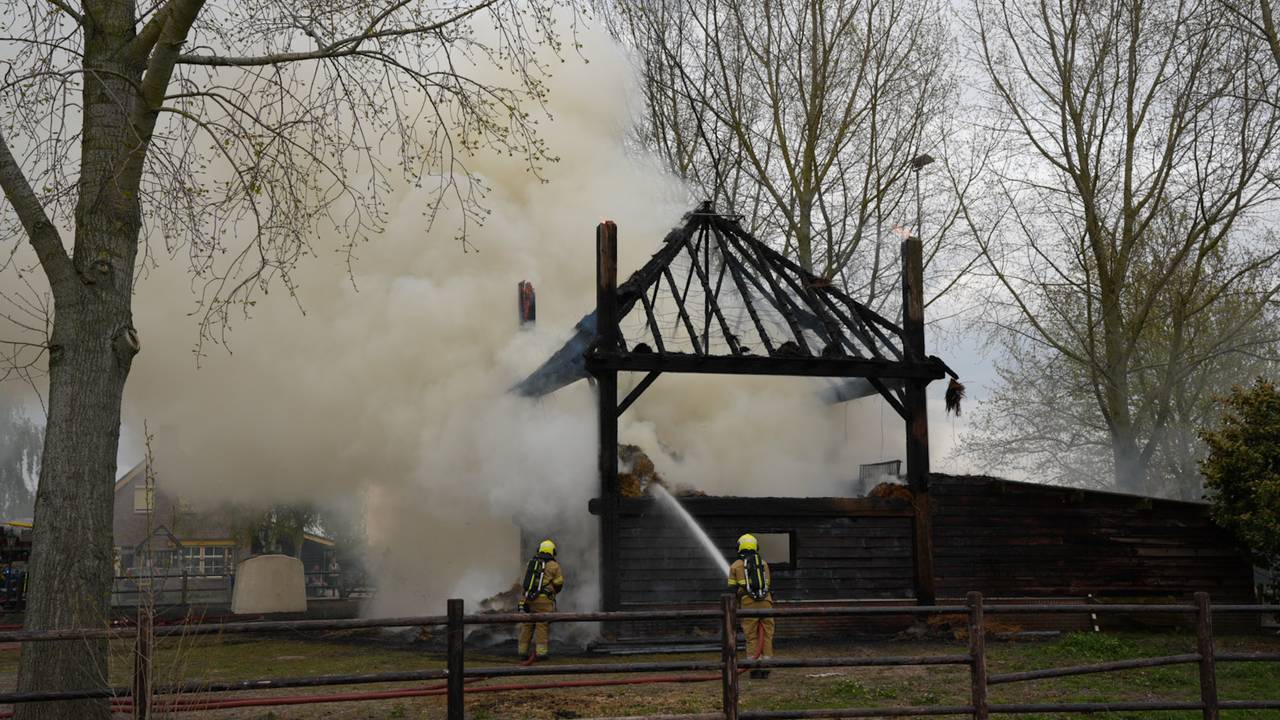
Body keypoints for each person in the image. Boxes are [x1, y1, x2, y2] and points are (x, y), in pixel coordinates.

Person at [728, 533, 774, 678]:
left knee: (751, 635)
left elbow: (731, 589)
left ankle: (754, 667)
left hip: (748, 603)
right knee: (767, 634)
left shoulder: (736, 566)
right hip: (766, 601)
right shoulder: (763, 563)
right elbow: (767, 584)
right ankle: (766, 666)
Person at [517, 539, 564, 660]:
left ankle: (522, 651)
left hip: (528, 599)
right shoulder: (554, 565)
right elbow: (559, 582)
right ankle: (541, 653)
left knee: (527, 624)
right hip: (544, 601)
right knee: (541, 625)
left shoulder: (531, 563)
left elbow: (526, 582)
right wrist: (553, 591)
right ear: (552, 551)